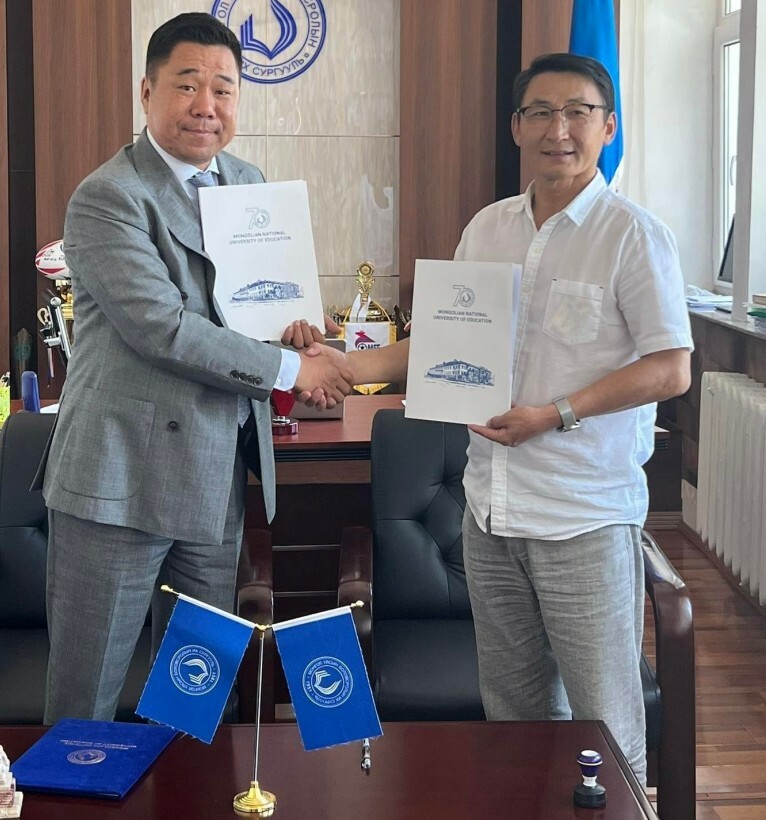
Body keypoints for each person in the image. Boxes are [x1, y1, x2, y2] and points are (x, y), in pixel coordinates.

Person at [285, 53, 692, 783]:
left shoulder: (632, 235)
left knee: (605, 724)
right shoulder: (488, 228)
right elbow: (442, 345)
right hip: (491, 516)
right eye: (540, 112)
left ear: (608, 127)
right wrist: (339, 363)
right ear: (515, 127)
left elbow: (671, 368)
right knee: (514, 713)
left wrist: (556, 414)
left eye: (577, 112)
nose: (558, 129)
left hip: (583, 517)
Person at [41, 12, 353, 723]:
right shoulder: (109, 196)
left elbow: (251, 310)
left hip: (214, 477)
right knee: (87, 695)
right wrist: (288, 369)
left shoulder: (248, 183)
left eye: (223, 89)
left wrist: (294, 330)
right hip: (118, 480)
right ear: (147, 92)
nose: (206, 105)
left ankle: (184, 783)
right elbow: (163, 330)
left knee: (194, 690)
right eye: (187, 85)